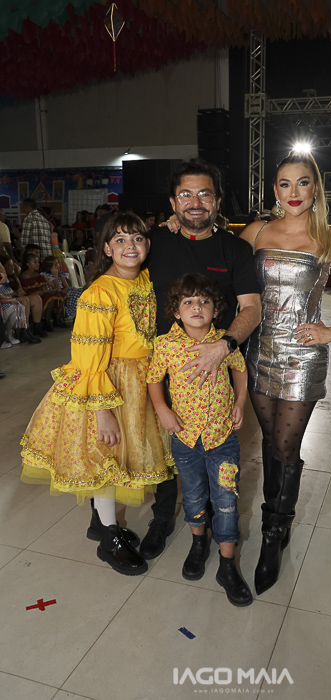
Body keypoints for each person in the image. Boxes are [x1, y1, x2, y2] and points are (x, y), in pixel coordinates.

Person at [240, 151, 331, 595]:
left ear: (315, 187)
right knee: (270, 442)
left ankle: (273, 533)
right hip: (258, 352)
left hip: (302, 357)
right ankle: (277, 521)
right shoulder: (256, 231)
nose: (294, 192)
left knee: (285, 446)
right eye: (285, 184)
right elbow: (220, 270)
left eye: (303, 183)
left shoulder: (330, 237)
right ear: (275, 190)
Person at [20, 213, 175, 576]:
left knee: (124, 458)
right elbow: (88, 357)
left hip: (140, 382)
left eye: (137, 239)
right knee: (107, 459)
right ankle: (110, 539)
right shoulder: (100, 293)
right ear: (106, 249)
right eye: (120, 240)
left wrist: (166, 227)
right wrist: (101, 410)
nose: (130, 246)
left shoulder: (145, 280)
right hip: (108, 384)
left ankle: (100, 523)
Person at [140, 158, 261, 560]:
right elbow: (118, 263)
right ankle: (163, 520)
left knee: (213, 462)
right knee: (167, 450)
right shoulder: (155, 242)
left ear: (218, 201)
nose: (195, 202)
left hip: (215, 371)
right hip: (162, 364)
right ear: (173, 202)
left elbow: (252, 308)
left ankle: (214, 528)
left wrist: (224, 345)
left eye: (204, 194)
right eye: (186, 195)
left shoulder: (235, 248)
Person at [147, 272, 253, 606]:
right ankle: (197, 543)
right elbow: (153, 379)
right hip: (186, 439)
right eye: (188, 301)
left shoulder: (224, 342)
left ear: (215, 310)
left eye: (204, 301)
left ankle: (227, 563)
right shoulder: (165, 345)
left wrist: (240, 402)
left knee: (226, 500)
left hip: (222, 438)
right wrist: (162, 409)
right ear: (176, 311)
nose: (197, 307)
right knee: (193, 497)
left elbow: (240, 370)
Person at [20, 253, 65, 331]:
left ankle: (46, 321)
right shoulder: (23, 277)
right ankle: (40, 322)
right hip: (29, 296)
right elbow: (23, 292)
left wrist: (45, 291)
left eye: (38, 262)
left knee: (54, 296)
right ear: (28, 264)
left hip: (40, 294)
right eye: (35, 262)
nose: (38, 264)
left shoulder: (38, 275)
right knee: (46, 298)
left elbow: (48, 288)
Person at [0, 259, 41, 344]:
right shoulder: (3, 279)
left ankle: (37, 327)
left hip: (15, 297)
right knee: (24, 300)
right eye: (9, 265)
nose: (13, 267)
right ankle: (24, 329)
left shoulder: (13, 277)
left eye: (13, 265)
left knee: (36, 298)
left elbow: (20, 290)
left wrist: (20, 291)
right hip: (7, 301)